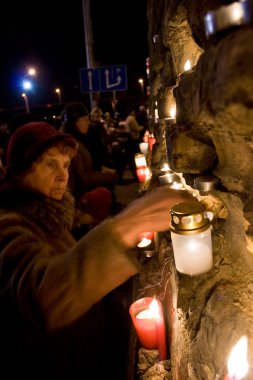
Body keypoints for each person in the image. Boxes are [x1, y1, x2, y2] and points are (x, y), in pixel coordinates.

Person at [0, 121, 196, 378]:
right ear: (20, 171)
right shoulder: (8, 224)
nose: (63, 175)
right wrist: (127, 225)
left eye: (66, 165)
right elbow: (46, 295)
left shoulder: (48, 215)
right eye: (50, 164)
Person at [61, 102, 118, 208]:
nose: (88, 123)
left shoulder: (81, 140)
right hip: (77, 198)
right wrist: (109, 176)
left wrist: (103, 170)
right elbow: (82, 178)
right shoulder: (70, 145)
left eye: (88, 119)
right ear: (73, 123)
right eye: (84, 120)